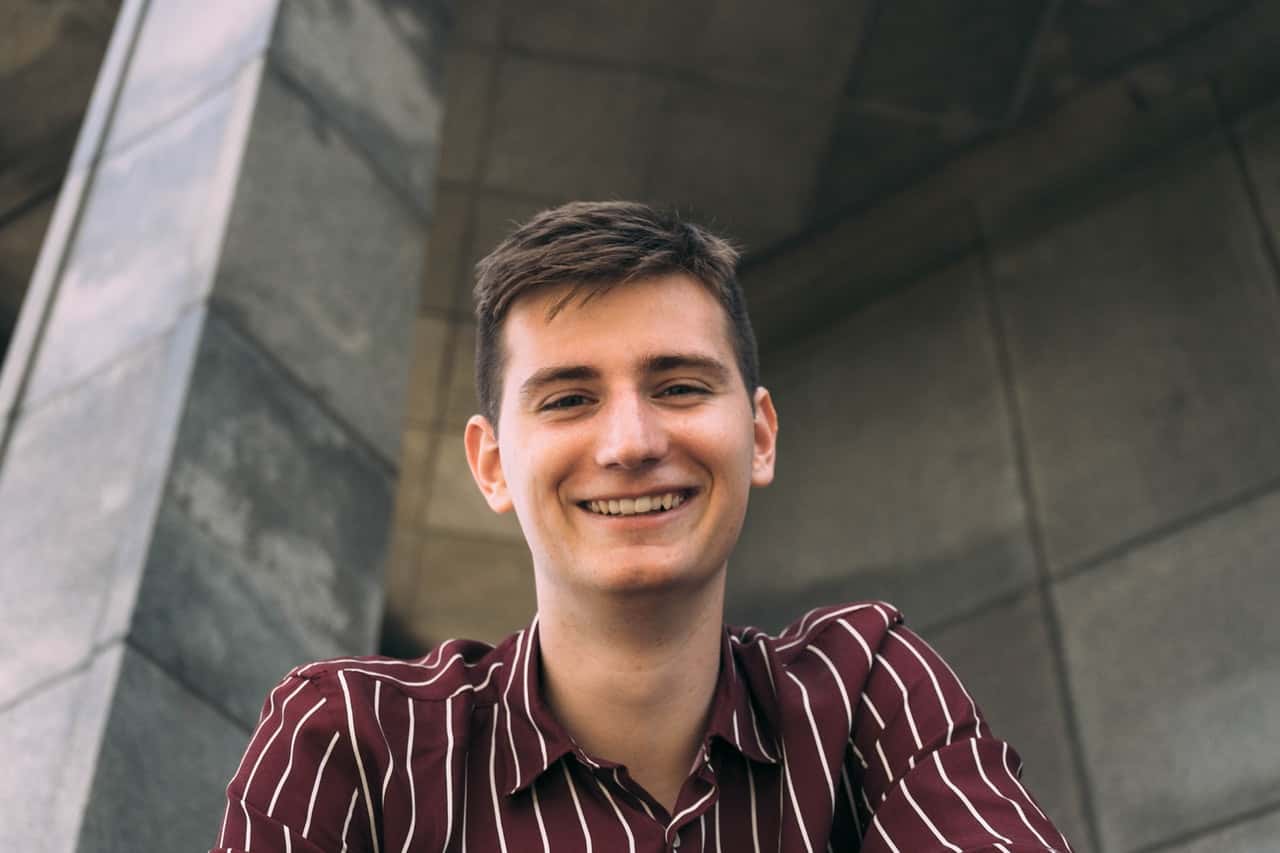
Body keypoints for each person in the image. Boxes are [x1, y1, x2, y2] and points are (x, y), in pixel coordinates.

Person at [210, 201, 1072, 852]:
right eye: (569, 399)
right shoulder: (353, 742)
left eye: (681, 386)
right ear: (492, 464)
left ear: (760, 435)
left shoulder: (863, 688)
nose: (631, 443)